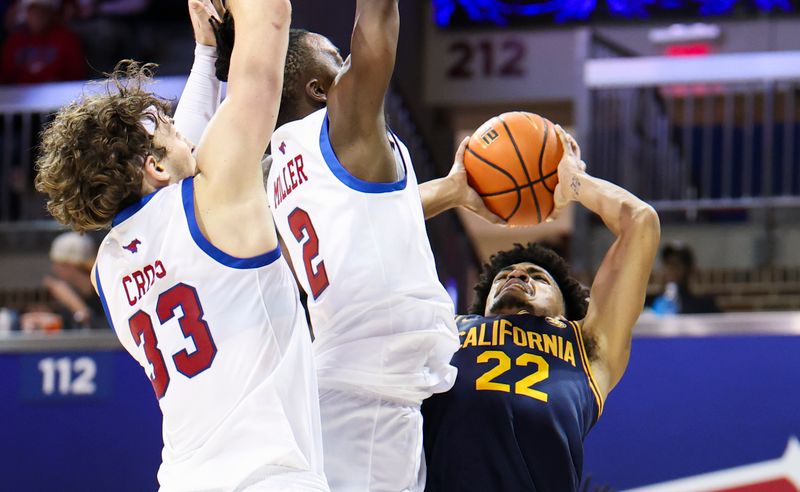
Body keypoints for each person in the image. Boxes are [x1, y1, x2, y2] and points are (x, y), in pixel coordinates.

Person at [34, 0, 330, 490]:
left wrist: (206, 52)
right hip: (269, 479)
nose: (180, 128)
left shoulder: (106, 270)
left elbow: (178, 159)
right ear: (151, 164)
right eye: (165, 125)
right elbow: (272, 15)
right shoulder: (215, 195)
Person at [203, 4, 461, 490]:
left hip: (349, 382)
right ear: (320, 90)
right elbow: (378, 15)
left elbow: (362, 221)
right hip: (370, 393)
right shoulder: (344, 125)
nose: (349, 64)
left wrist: (450, 190)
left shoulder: (270, 169)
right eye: (337, 58)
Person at [418, 129, 661, 490]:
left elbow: (640, 222)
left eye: (537, 276)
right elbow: (376, 229)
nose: (516, 275)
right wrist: (453, 190)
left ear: (565, 310)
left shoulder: (589, 346)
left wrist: (575, 184)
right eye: (506, 274)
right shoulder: (447, 329)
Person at [1, 0, 85, 84]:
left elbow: (76, 74)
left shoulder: (66, 38)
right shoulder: (15, 40)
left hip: (57, 91)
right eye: (33, 12)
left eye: (42, 12)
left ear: (50, 14)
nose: (37, 17)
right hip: (19, 92)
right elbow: (5, 75)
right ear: (27, 14)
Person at [42, 231, 108, 330]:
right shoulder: (74, 291)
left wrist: (77, 306)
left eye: (59, 264)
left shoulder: (105, 289)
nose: (55, 269)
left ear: (71, 265)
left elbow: (105, 333)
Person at [648, 240, 720, 314]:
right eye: (667, 264)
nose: (670, 269)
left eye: (676, 264)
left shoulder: (705, 305)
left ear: (688, 269)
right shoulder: (651, 303)